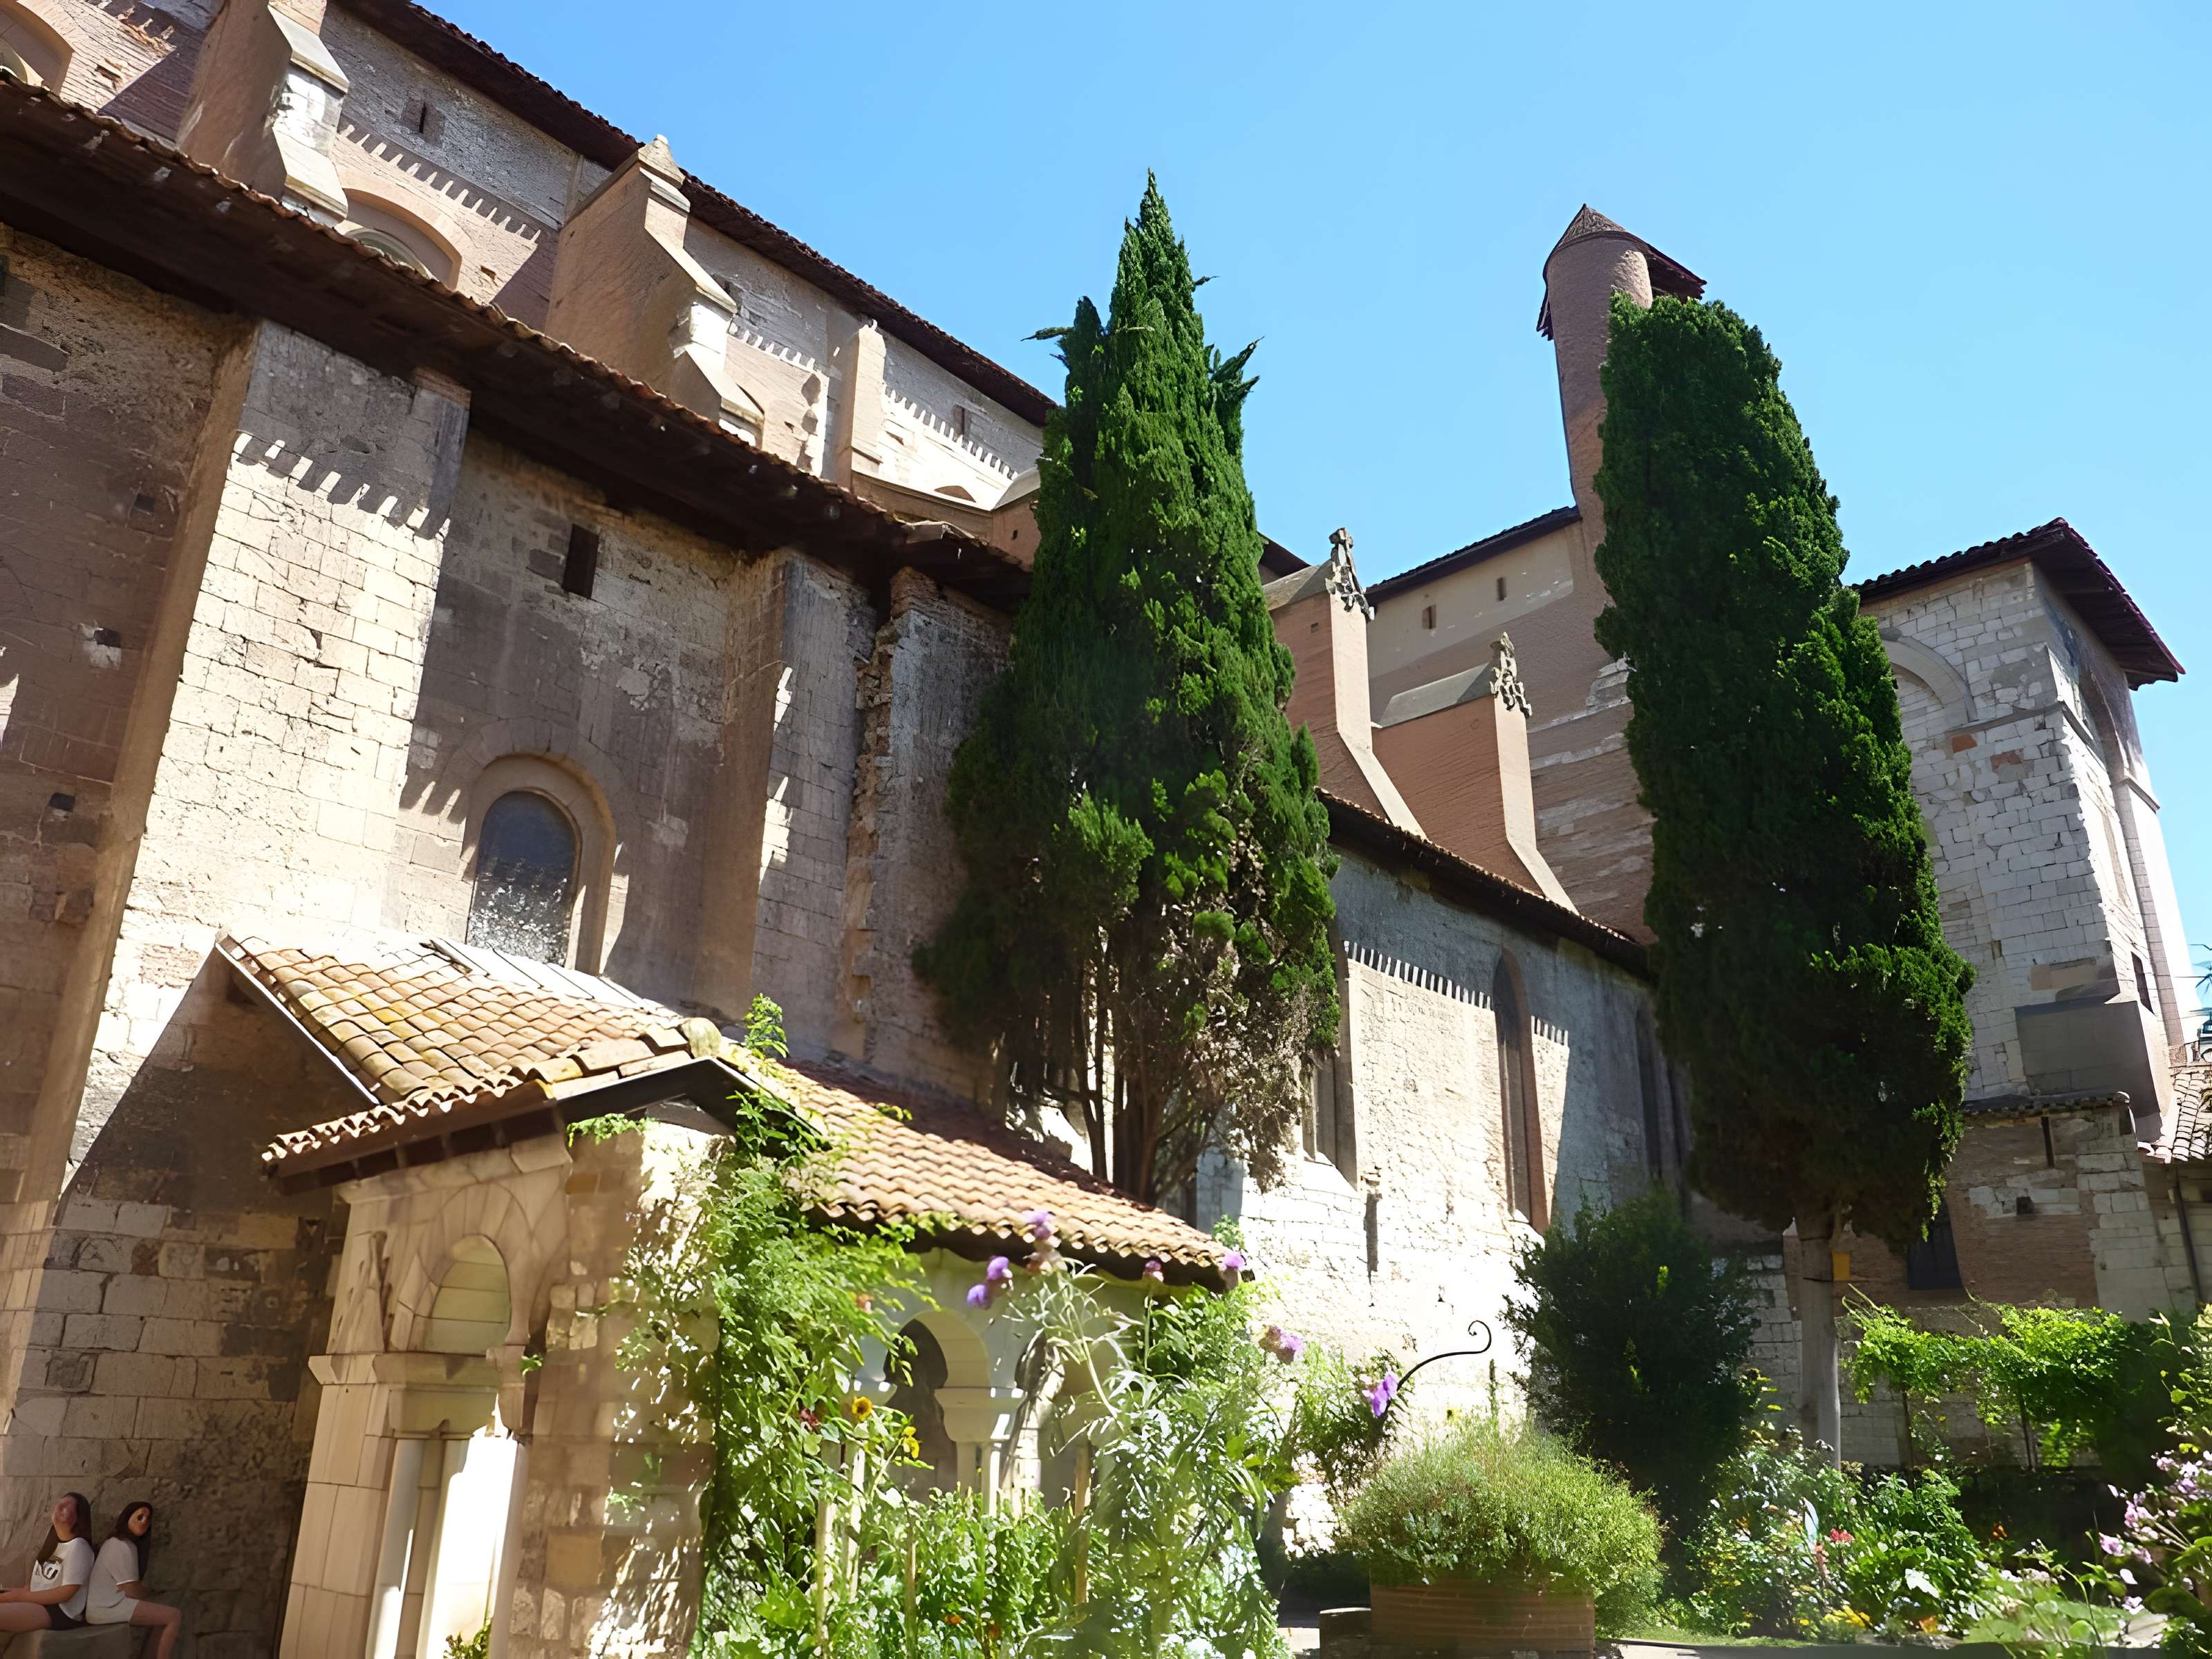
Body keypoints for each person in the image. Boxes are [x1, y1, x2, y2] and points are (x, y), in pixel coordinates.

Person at [88, 1501, 183, 1658]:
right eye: (140, 1516)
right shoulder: (120, 1545)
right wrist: (149, 1598)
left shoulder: (124, 1543)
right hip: (105, 1607)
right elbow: (131, 1591)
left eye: (148, 1518)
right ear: (127, 1518)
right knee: (174, 1616)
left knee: (164, 1617)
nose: (145, 1521)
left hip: (108, 1604)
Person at [0, 1491, 95, 1634]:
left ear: (78, 1518)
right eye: (60, 1504)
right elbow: (36, 1587)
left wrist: (18, 1597)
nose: (60, 1507)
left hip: (59, 1610)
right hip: (38, 1602)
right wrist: (11, 1594)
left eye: (67, 1506)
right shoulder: (52, 1540)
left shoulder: (79, 1546)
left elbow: (65, 1593)